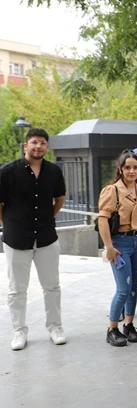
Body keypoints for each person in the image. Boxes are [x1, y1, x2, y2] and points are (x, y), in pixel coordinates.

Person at [0, 128, 66, 350]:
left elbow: (59, 198)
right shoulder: (7, 171)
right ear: (26, 145)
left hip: (46, 237)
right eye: (35, 142)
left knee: (52, 286)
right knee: (17, 290)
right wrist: (9, 223)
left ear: (47, 146)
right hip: (16, 238)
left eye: (43, 143)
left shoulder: (54, 171)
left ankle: (55, 327)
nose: (38, 146)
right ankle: (19, 331)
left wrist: (48, 218)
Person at [99, 150, 137, 347]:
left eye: (135, 167)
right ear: (120, 169)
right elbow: (102, 219)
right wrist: (109, 247)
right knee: (123, 289)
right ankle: (112, 328)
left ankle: (129, 324)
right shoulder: (112, 191)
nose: (131, 171)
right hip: (121, 244)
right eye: (127, 167)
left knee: (133, 286)